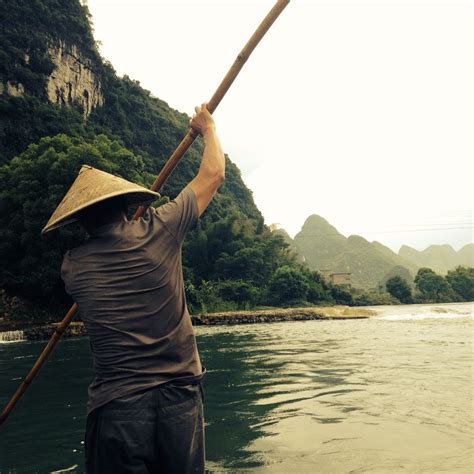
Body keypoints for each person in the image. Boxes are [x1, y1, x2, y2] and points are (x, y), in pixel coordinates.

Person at [42, 104, 225, 473]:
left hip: (117, 409)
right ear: (128, 204)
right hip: (180, 400)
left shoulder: (73, 267)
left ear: (80, 219)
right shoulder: (163, 229)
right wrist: (208, 127)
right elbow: (213, 174)